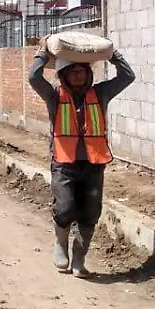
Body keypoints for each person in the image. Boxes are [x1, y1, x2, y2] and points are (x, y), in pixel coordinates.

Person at [29, 42, 134, 278]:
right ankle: (60, 244)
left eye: (82, 71)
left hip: (94, 164)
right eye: (73, 71)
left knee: (90, 212)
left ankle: (79, 259)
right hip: (64, 163)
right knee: (65, 207)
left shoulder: (101, 93)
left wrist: (112, 54)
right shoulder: (54, 96)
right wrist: (42, 53)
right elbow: (33, 78)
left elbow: (128, 76)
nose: (78, 74)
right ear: (64, 74)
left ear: (88, 74)